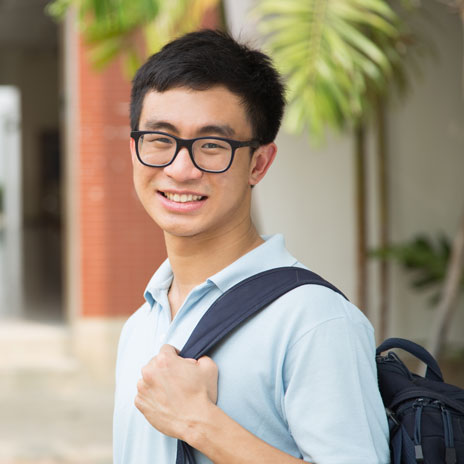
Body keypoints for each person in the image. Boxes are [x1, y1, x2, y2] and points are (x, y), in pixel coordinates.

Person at [113, 29, 390, 464]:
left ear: (258, 163)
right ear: (135, 151)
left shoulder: (314, 322)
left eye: (211, 145)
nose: (180, 169)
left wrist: (199, 423)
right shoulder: (139, 326)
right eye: (161, 140)